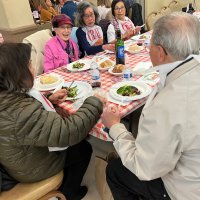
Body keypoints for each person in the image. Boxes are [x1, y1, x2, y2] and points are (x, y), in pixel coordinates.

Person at [102, 12, 200, 200]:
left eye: (150, 46)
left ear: (160, 52)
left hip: (185, 190)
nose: (148, 50)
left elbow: (144, 168)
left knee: (115, 171)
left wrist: (115, 127)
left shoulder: (167, 104)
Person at [0, 43, 104, 200]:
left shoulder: (7, 94)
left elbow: (24, 111)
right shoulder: (20, 113)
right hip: (31, 169)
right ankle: (70, 192)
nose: (33, 67)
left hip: (15, 159)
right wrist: (94, 102)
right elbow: (69, 132)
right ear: (17, 73)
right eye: (28, 64)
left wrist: (48, 99)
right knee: (83, 148)